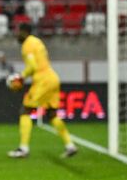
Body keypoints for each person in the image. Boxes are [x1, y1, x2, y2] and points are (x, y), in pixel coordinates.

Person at [8, 23, 77, 159]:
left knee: (25, 110)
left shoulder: (27, 44)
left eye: (18, 32)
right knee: (52, 114)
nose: (17, 34)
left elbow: (33, 66)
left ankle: (23, 148)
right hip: (52, 77)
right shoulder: (37, 41)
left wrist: (20, 76)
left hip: (42, 80)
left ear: (24, 32)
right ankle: (70, 145)